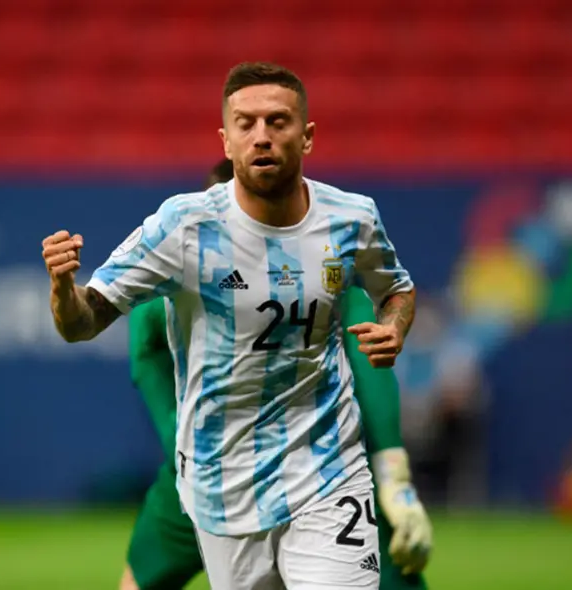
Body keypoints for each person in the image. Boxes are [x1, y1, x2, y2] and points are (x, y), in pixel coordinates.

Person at [41, 62, 416, 589]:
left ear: (307, 137)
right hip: (223, 483)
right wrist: (62, 291)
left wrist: (395, 326)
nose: (261, 135)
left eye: (277, 121)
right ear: (225, 139)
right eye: (246, 123)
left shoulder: (352, 218)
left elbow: (396, 287)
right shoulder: (183, 227)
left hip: (329, 467)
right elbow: (83, 322)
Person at [120, 159, 432, 590]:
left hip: (304, 467)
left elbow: (145, 353)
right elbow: (145, 350)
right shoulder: (182, 261)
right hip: (282, 465)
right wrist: (394, 479)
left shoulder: (186, 266)